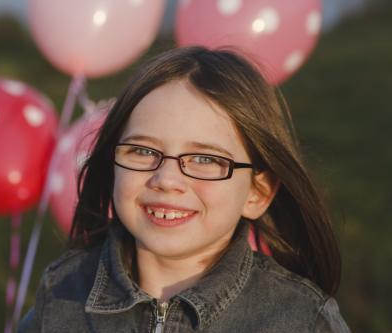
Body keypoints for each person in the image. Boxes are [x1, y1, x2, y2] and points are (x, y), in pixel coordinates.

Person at [18, 46, 350, 332]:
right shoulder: (62, 295)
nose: (166, 179)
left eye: (205, 159)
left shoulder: (299, 319)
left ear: (257, 193)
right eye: (143, 151)